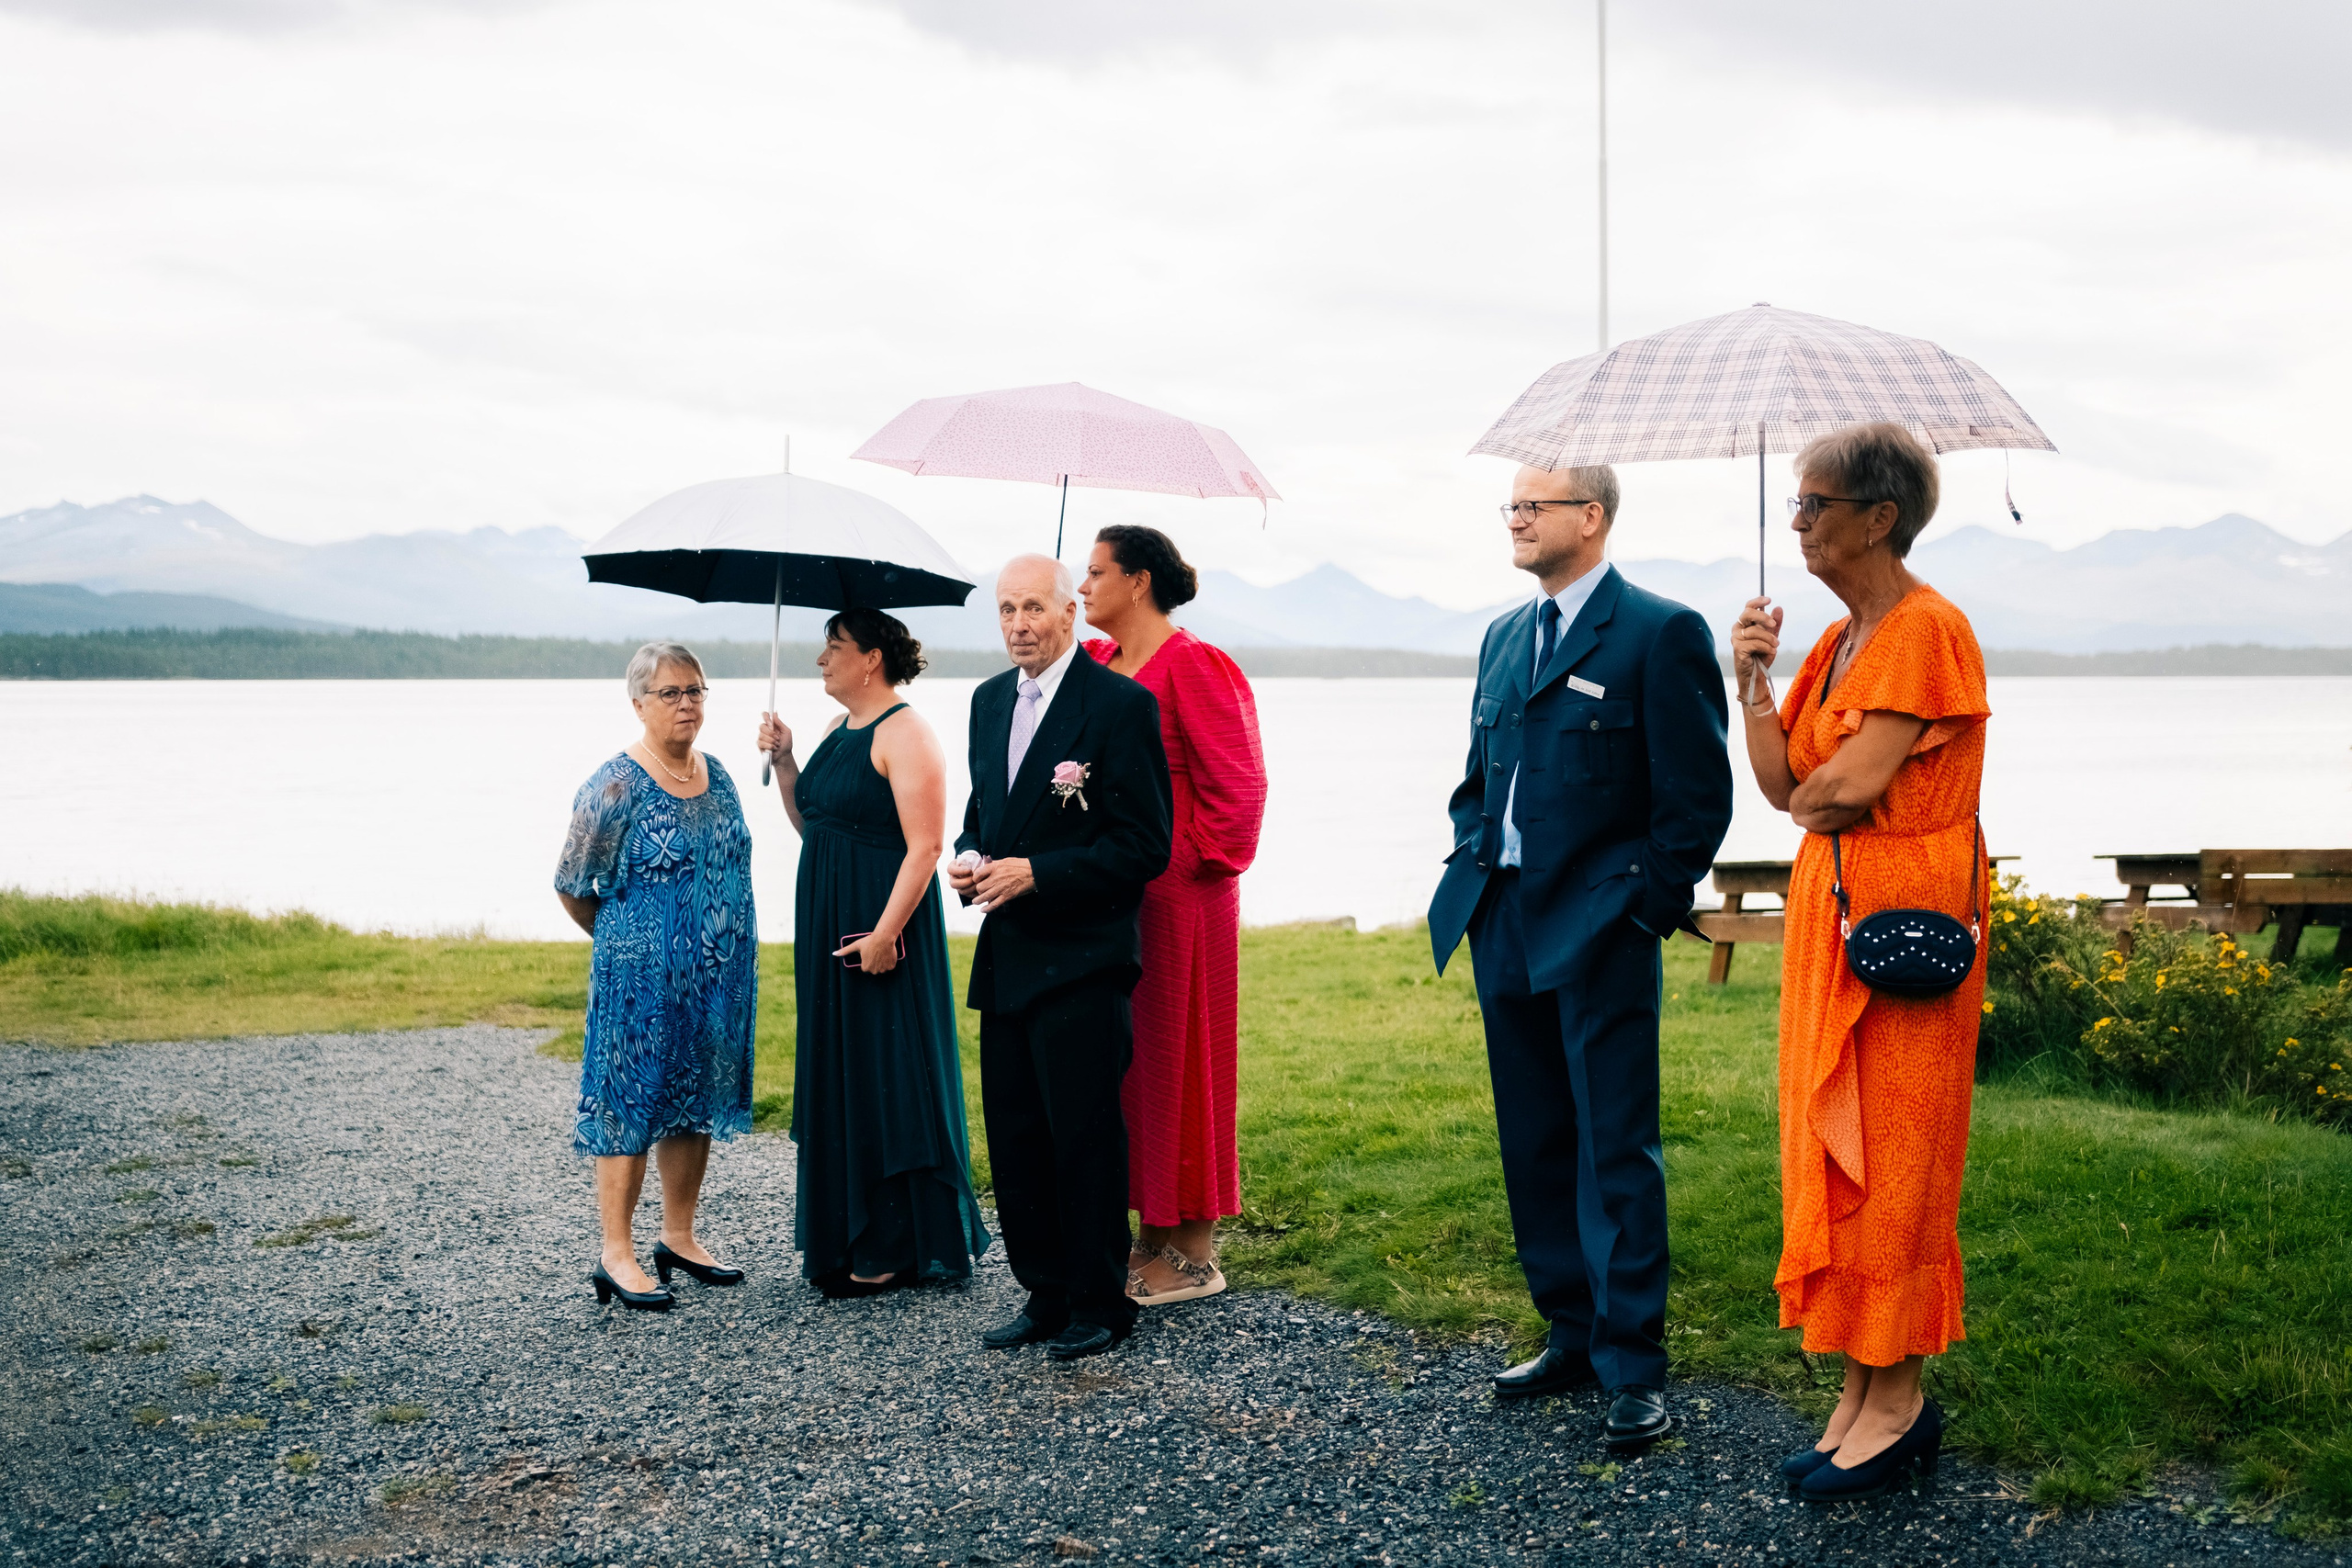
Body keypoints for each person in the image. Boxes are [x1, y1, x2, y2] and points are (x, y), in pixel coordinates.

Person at [1427, 464, 1732, 1450]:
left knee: (1613, 1147)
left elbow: (1694, 801)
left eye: (1534, 504)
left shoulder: (1658, 630)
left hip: (1598, 926)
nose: (1513, 518)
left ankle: (1633, 1366)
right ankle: (1569, 1333)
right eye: (1509, 505)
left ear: (1590, 518)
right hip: (1503, 915)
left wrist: (1641, 906)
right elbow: (1482, 777)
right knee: (1534, 1138)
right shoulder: (1504, 635)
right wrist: (1471, 851)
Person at [1728, 422, 1989, 1502]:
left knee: (1897, 1155)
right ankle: (1858, 1384)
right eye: (1793, 503)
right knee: (1831, 1152)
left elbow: (1832, 793)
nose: (1794, 522)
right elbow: (1786, 786)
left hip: (1903, 927)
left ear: (1876, 517)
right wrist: (1751, 681)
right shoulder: (1838, 642)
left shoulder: (1926, 631)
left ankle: (1900, 1398)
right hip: (1832, 915)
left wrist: (1823, 792)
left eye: (1811, 504)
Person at [947, 554, 1173, 1361]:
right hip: (1008, 957)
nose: (1019, 624)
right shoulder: (983, 703)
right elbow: (983, 812)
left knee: (1082, 1136)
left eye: (1034, 607)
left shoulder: (1120, 707)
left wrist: (1040, 872)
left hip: (1084, 957)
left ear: (1071, 612)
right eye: (1006, 609)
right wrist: (969, 856)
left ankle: (1099, 1303)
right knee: (1015, 1137)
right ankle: (1042, 1293)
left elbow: (1145, 845)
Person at [757, 609, 990, 1301]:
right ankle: (848, 1233)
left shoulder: (909, 733)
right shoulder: (836, 731)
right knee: (844, 1070)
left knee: (890, 1070)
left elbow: (924, 846)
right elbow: (814, 825)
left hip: (883, 926)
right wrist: (787, 760)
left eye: (833, 648)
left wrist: (887, 932)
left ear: (872, 659)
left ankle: (897, 1241)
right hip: (828, 920)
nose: (821, 661)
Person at [1076, 525, 1268, 1307]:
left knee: (1183, 1059)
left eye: (1094, 573)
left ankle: (1194, 1251)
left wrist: (1182, 861)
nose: (1080, 588)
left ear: (1139, 580)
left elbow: (1240, 791)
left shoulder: (1196, 665)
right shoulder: (1089, 665)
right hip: (1106, 895)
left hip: (1180, 899)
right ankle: (1145, 1232)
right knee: (1127, 1066)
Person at [555, 641, 756, 1313]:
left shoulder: (720, 774)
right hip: (637, 984)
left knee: (693, 1100)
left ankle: (679, 1236)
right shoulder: (613, 786)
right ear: (638, 701)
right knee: (628, 1105)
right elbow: (571, 885)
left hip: (715, 982)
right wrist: (629, 944)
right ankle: (617, 1253)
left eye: (695, 690)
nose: (686, 704)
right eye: (670, 693)